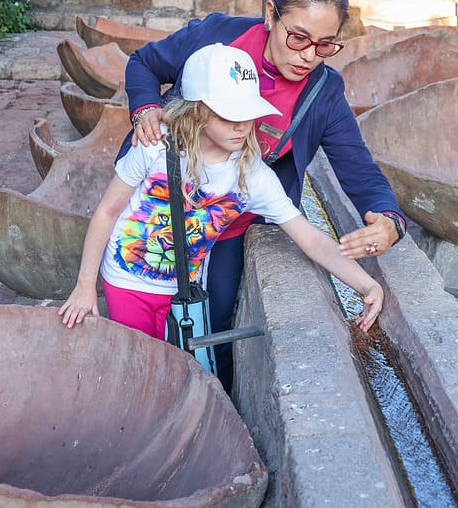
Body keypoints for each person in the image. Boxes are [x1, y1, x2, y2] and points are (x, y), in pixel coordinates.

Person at [119, 0, 408, 390]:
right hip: (161, 206)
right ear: (271, 14)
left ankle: (207, 407)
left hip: (230, 221)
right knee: (136, 324)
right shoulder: (218, 38)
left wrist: (390, 220)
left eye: (325, 45)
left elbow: (359, 169)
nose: (309, 56)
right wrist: (146, 110)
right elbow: (144, 63)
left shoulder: (324, 92)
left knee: (210, 332)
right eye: (298, 38)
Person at [59, 43, 384, 344]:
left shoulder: (252, 176)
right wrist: (86, 286)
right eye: (230, 115)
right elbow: (107, 211)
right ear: (198, 110)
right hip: (128, 283)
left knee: (175, 370)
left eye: (248, 114)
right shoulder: (155, 146)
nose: (242, 126)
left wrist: (366, 285)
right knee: (135, 362)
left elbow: (311, 239)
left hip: (185, 292)